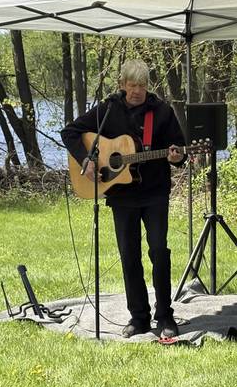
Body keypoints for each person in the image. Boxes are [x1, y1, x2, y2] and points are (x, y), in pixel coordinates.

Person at [61, 59, 187, 338]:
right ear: (121, 85)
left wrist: (178, 156)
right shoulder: (108, 110)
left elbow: (180, 151)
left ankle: (165, 315)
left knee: (158, 252)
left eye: (142, 86)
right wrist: (87, 160)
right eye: (132, 86)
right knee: (129, 257)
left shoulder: (162, 112)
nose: (137, 92)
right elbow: (70, 132)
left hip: (154, 193)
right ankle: (138, 317)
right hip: (121, 196)